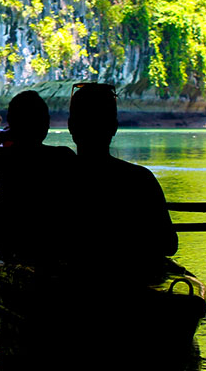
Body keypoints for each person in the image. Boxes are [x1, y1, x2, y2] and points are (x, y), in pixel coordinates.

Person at [67, 83, 177, 282]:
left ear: (71, 126)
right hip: (133, 280)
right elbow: (169, 245)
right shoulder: (141, 179)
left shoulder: (54, 179)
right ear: (114, 128)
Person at [0, 90, 76, 262]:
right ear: (46, 123)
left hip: (11, 242)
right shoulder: (63, 156)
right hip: (52, 243)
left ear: (11, 124)